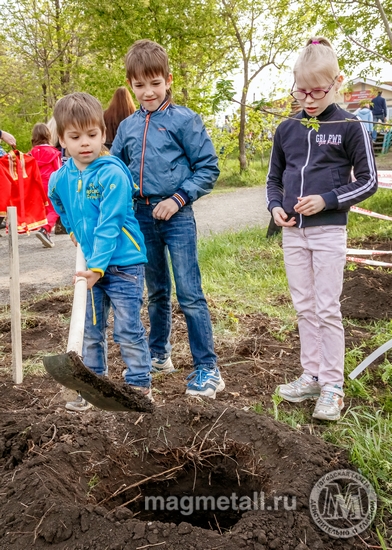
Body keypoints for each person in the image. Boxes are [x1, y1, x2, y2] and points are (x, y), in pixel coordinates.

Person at [266, 37, 378, 421]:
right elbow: (273, 179)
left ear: (337, 83)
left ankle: (332, 385)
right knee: (304, 307)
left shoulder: (350, 126)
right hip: (293, 233)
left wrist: (327, 199)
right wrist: (275, 207)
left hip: (329, 231)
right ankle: (311, 374)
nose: (309, 100)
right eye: (302, 91)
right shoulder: (286, 128)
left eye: (318, 91)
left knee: (327, 308)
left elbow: (368, 181)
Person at [111, 39, 225, 399]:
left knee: (189, 294)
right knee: (156, 291)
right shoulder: (127, 127)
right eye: (140, 85)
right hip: (141, 217)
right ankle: (160, 354)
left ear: (168, 80)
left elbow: (208, 168)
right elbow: (113, 169)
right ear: (131, 84)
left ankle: (208, 367)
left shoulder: (185, 120)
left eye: (155, 83)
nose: (148, 92)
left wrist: (177, 199)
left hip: (176, 215)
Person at [48, 92, 152, 411]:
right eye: (75, 137)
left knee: (127, 328)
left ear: (103, 134)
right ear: (62, 140)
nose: (85, 143)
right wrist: (73, 229)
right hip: (91, 270)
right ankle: (93, 388)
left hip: (123, 265)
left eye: (92, 135)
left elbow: (110, 223)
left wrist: (97, 268)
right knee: (91, 331)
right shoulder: (61, 177)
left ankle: (139, 387)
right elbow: (57, 199)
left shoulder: (111, 173)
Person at [29, 123, 62, 247]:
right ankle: (45, 229)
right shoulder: (54, 153)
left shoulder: (30, 154)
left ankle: (46, 233)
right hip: (49, 185)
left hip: (36, 186)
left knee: (43, 210)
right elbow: (59, 171)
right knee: (55, 208)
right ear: (48, 135)